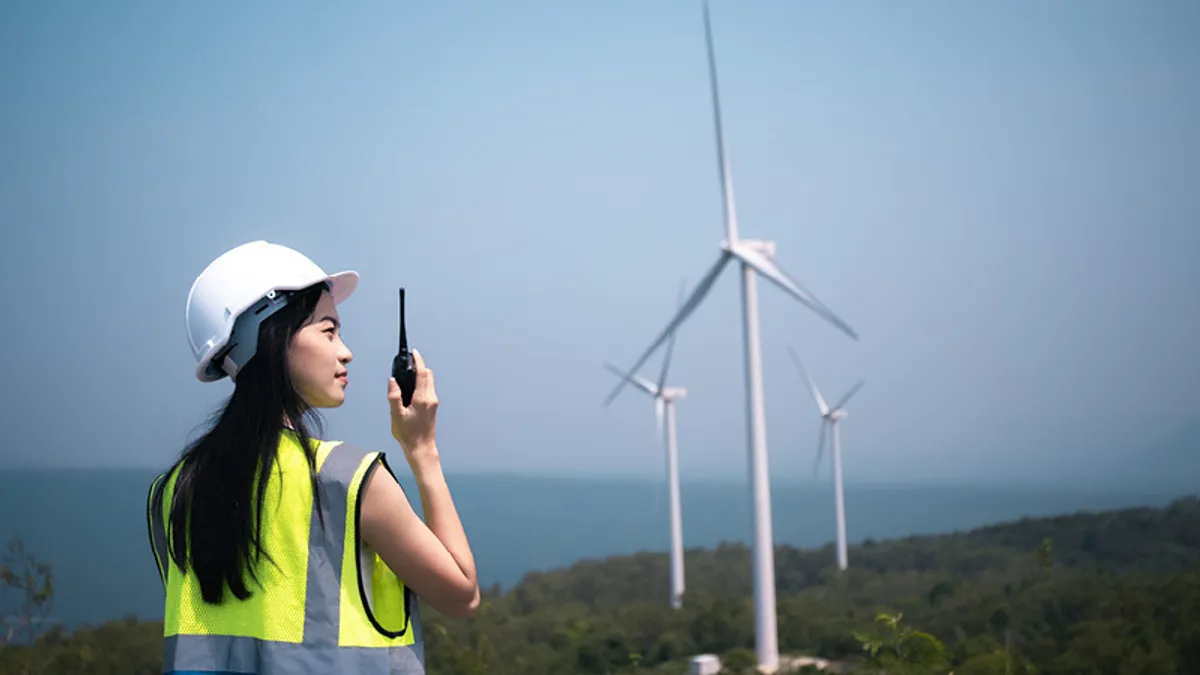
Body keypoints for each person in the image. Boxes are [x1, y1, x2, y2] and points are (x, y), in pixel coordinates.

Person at [146, 240, 479, 674]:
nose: (346, 351)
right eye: (328, 330)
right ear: (273, 339)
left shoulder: (175, 489)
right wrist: (423, 451)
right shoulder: (346, 479)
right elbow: (462, 595)